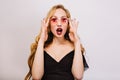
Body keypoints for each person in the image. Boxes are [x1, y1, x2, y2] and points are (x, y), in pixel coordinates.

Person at [25, 4, 89, 80]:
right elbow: (36, 77)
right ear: (49, 24)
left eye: (63, 20)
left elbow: (78, 76)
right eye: (54, 20)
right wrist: (41, 41)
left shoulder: (75, 47)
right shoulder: (42, 47)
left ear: (68, 24)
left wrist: (77, 42)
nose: (59, 24)